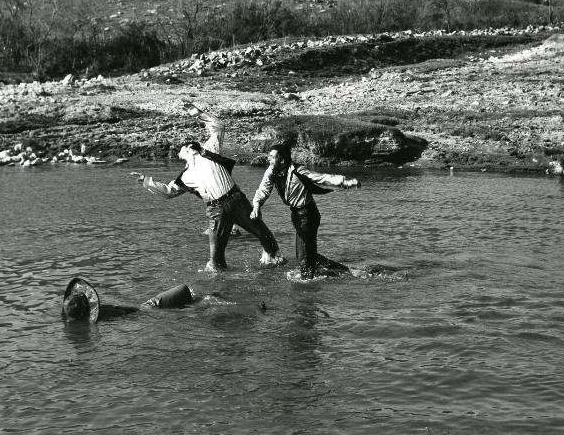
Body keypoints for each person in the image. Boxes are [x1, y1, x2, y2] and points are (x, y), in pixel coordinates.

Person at [132, 102, 285, 272]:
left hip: (236, 200)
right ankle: (220, 286)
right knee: (216, 259)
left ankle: (274, 262)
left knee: (264, 234)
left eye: (182, 147)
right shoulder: (185, 176)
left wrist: (198, 114)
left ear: (191, 148)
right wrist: (146, 181)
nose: (179, 149)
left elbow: (219, 126)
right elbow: (169, 192)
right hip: (216, 210)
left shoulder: (208, 150)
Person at [250, 143, 360, 279]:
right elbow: (263, 190)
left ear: (282, 160)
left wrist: (346, 183)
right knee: (305, 254)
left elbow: (321, 178)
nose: (269, 159)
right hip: (297, 215)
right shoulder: (271, 171)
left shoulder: (298, 171)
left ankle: (307, 284)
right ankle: (343, 272)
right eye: (269, 156)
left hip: (308, 215)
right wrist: (256, 206)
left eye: (272, 157)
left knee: (303, 256)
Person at [61, 277, 194, 322]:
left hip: (145, 309)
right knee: (185, 290)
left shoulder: (99, 316)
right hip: (149, 308)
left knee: (187, 295)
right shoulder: (103, 314)